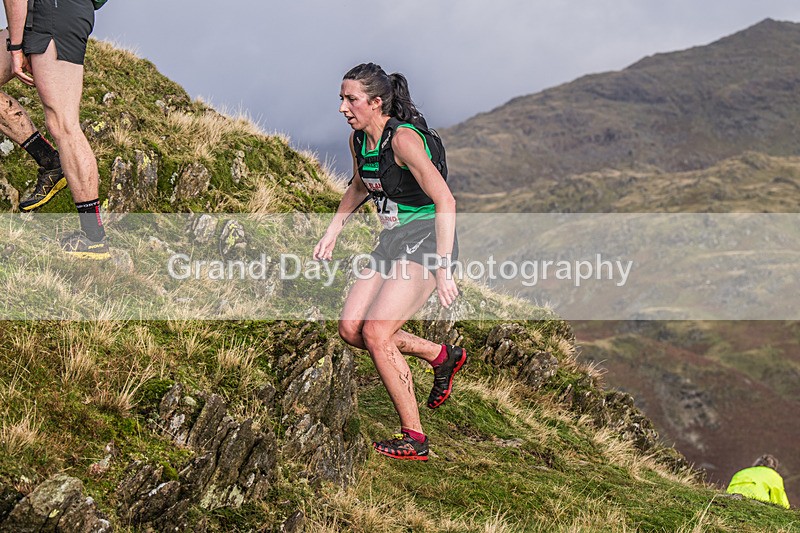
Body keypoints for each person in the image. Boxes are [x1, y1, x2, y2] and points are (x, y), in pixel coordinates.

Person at [314, 63, 467, 461]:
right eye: (341, 99)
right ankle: (441, 356)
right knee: (351, 329)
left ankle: (414, 438)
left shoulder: (403, 141)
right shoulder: (358, 142)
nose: (344, 108)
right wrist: (333, 231)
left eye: (351, 100)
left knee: (378, 333)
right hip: (393, 240)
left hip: (428, 238)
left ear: (376, 102)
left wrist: (443, 266)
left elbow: (445, 200)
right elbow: (360, 186)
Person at [2, 0, 109, 259]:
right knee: (62, 123)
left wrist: (16, 48)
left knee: (63, 123)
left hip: (53, 14)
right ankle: (50, 161)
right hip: (43, 13)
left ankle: (94, 238)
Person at [726, 454, 790, 509]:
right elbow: (779, 500)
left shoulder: (741, 472)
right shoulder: (773, 475)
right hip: (757, 503)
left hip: (730, 500)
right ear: (774, 466)